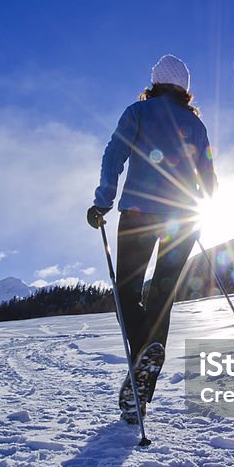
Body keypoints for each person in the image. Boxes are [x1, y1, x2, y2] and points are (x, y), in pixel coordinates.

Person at [88, 54, 216, 419]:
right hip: (185, 218)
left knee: (127, 290)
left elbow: (114, 155)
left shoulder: (137, 113)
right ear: (185, 89)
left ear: (155, 82)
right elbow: (208, 176)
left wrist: (102, 202)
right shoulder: (195, 125)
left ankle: (142, 357)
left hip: (140, 215)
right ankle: (143, 386)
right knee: (162, 295)